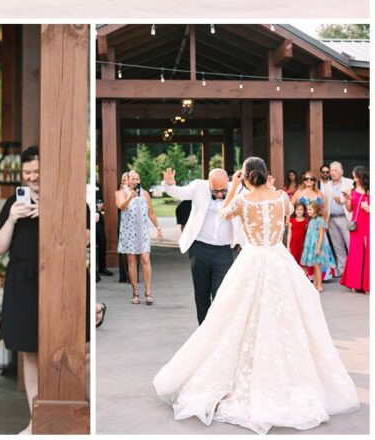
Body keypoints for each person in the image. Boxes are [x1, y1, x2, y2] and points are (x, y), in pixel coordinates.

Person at [153, 156, 359, 432]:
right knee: (286, 316)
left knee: (236, 314)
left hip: (252, 259)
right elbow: (286, 222)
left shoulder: (242, 201)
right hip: (278, 260)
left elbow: (225, 213)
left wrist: (237, 187)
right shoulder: (281, 198)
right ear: (266, 174)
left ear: (246, 176)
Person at [0, 145, 40, 432]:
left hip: (55, 280)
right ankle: (36, 420)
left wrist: (47, 213)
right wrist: (12, 218)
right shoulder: (13, 204)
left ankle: (58, 413)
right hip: (22, 281)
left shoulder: (62, 199)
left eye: (37, 172)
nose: (32, 178)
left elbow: (85, 237)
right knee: (28, 351)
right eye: (27, 173)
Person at [159, 167, 241, 324]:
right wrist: (169, 184)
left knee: (221, 294)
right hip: (200, 249)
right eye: (215, 190)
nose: (219, 194)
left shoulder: (235, 188)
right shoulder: (198, 186)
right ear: (208, 183)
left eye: (222, 190)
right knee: (201, 294)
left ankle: (217, 328)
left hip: (224, 252)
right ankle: (203, 330)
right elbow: (179, 192)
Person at [116, 169, 163, 305]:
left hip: (142, 232)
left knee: (146, 259)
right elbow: (121, 207)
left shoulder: (145, 194)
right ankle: (135, 292)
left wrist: (158, 228)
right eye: (133, 179)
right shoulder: (121, 193)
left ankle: (148, 292)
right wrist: (129, 197)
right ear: (128, 179)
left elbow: (151, 213)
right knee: (132, 261)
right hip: (129, 232)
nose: (135, 181)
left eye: (137, 179)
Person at [321, 160, 353, 275]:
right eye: (331, 170)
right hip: (332, 219)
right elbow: (325, 204)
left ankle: (354, 271)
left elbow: (355, 199)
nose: (332, 173)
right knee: (338, 247)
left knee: (351, 245)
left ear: (341, 171)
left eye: (335, 170)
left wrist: (343, 200)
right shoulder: (327, 185)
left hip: (346, 218)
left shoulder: (350, 183)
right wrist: (326, 220)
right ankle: (343, 271)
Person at [341, 166, 369, 293]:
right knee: (356, 251)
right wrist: (347, 200)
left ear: (362, 176)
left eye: (356, 176)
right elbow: (350, 209)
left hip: (368, 222)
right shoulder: (352, 190)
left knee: (368, 251)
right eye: (354, 176)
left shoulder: (370, 189)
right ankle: (355, 283)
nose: (355, 179)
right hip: (357, 224)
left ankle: (367, 284)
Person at [301, 198, 336, 292]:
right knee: (314, 265)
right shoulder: (311, 220)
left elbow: (321, 234)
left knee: (317, 266)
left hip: (316, 246)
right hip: (310, 246)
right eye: (307, 209)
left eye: (310, 209)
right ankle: (315, 284)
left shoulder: (319, 220)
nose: (308, 211)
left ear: (316, 209)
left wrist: (318, 247)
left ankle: (319, 285)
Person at [288, 200, 309, 270]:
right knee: (294, 260)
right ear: (294, 210)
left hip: (302, 244)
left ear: (304, 211)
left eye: (301, 210)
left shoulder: (306, 221)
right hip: (293, 244)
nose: (299, 211)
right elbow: (289, 234)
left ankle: (305, 276)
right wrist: (288, 246)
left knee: (302, 260)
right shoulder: (292, 220)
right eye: (297, 209)